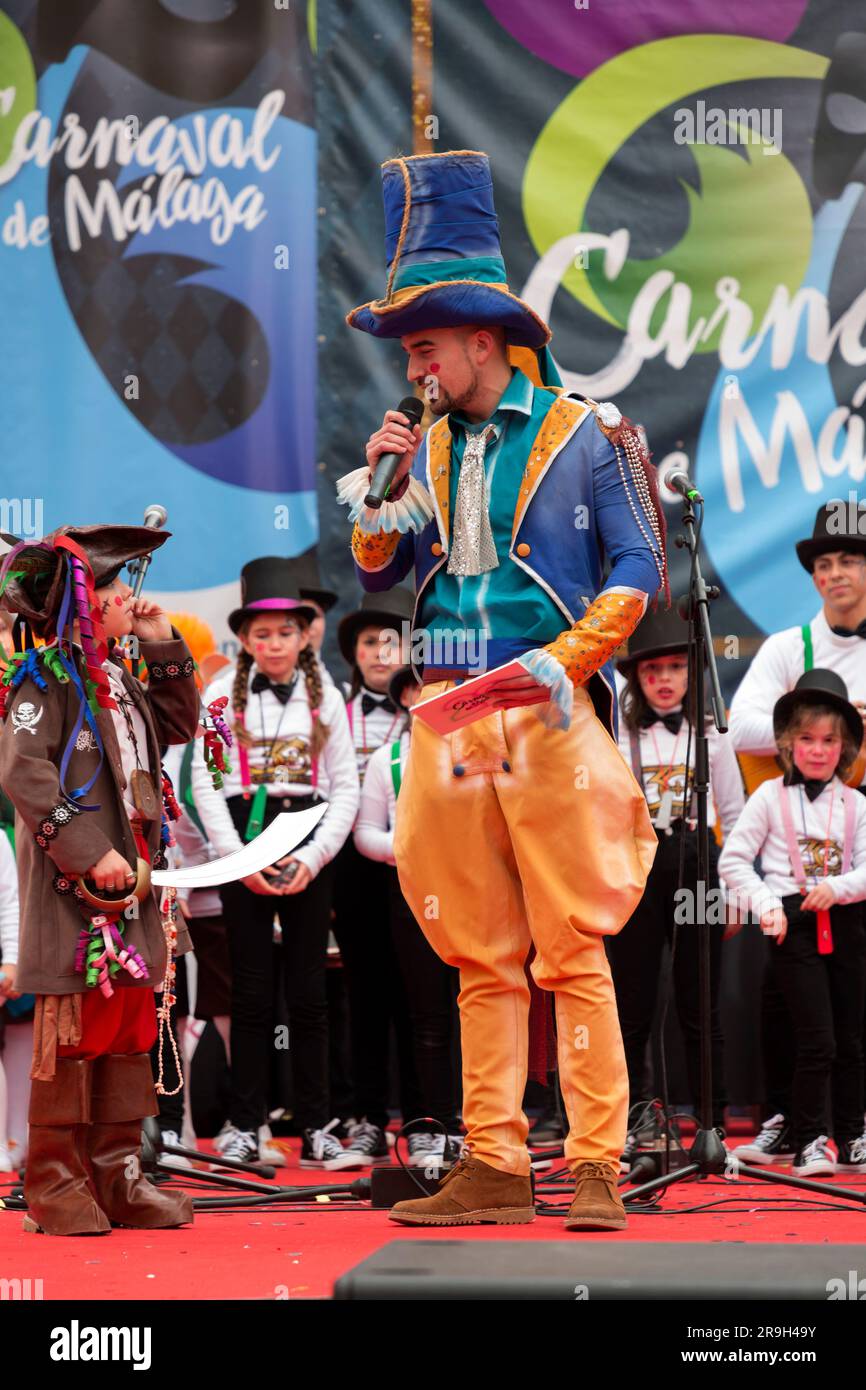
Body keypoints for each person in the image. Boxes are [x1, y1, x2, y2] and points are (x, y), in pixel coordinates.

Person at [337, 149, 666, 1230]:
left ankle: (595, 1167)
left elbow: (641, 568)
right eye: (405, 349)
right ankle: (491, 1162)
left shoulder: (591, 433)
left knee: (569, 946)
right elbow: (378, 571)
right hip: (444, 717)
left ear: (484, 338)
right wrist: (380, 482)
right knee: (477, 953)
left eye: (423, 344)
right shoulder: (420, 448)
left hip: (542, 710)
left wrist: (563, 664)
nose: (413, 366)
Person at [0, 524, 199, 1235]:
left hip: (134, 893)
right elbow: (22, 775)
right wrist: (86, 851)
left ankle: (118, 1176)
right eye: (115, 589)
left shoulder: (118, 678)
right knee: (72, 1033)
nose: (127, 598)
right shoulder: (42, 678)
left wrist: (164, 641)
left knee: (128, 1031)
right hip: (74, 897)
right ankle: (52, 1182)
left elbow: (178, 725)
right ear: (82, 604)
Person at [191, 557, 359, 1168]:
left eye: (285, 631)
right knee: (253, 994)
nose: (274, 644)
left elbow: (345, 789)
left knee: (310, 994)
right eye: (261, 634)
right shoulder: (217, 694)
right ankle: (245, 1126)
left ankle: (318, 1129)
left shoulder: (327, 695)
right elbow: (207, 784)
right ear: (244, 637)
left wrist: (314, 860)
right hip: (245, 839)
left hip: (308, 839)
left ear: (304, 632)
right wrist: (237, 860)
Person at [729, 503, 866, 1162]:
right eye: (825, 563)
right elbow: (739, 726)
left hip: (861, 827)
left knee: (855, 991)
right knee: (789, 989)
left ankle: (854, 1122)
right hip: (804, 824)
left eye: (849, 560)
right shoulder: (790, 648)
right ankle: (789, 1116)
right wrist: (831, 722)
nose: (835, 573)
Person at [609, 608, 745, 1161]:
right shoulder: (618, 739)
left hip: (698, 870)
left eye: (673, 667)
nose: (663, 679)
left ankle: (711, 1123)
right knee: (632, 1002)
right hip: (638, 874)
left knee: (700, 1002)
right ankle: (633, 1115)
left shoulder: (712, 735)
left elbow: (733, 818)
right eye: (651, 670)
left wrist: (734, 890)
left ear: (692, 672)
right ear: (636, 679)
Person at [720, 670, 866, 1176]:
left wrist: (842, 888)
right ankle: (808, 1138)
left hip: (848, 923)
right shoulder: (768, 798)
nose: (818, 750)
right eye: (806, 739)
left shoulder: (856, 804)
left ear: (844, 746)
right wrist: (766, 905)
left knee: (851, 1037)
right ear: (786, 743)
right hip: (792, 924)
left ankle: (852, 1135)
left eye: (829, 740)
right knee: (815, 1038)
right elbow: (734, 860)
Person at [354, 664, 461, 1168]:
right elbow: (365, 834)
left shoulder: (484, 752)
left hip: (478, 894)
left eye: (443, 687)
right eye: (420, 690)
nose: (430, 698)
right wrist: (409, 848)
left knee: (484, 1008)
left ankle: (488, 1123)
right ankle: (431, 1126)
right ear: (406, 700)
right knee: (428, 1017)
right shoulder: (386, 760)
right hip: (415, 896)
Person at [328, 588, 422, 1167]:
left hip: (425, 868)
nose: (382, 652)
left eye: (394, 640)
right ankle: (365, 1119)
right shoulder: (332, 712)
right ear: (354, 652)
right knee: (362, 996)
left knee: (425, 997)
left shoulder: (433, 709)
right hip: (352, 866)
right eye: (370, 641)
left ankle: (428, 1118)